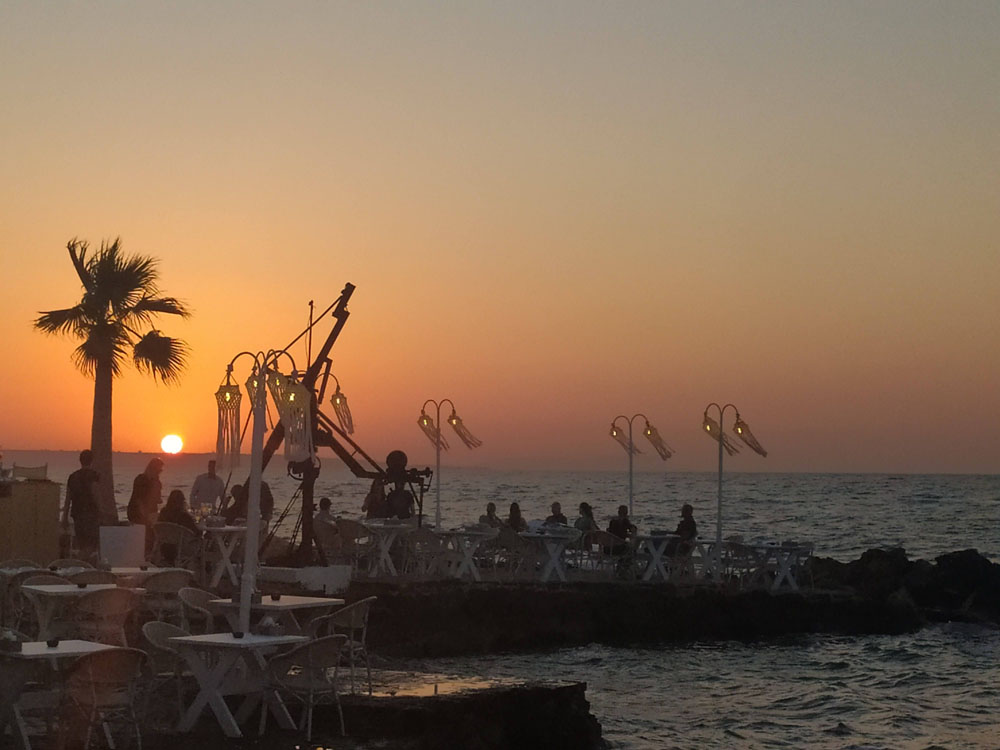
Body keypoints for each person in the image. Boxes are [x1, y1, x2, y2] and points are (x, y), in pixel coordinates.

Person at [62, 449, 100, 561]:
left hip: (77, 514)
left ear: (80, 460)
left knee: (82, 543)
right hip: (91, 514)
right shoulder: (94, 475)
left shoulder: (73, 477)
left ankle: (81, 562)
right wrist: (101, 511)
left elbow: (68, 499)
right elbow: (96, 494)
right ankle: (83, 562)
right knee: (91, 545)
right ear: (92, 461)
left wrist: (64, 517)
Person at [127, 457, 164, 553]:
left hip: (149, 512)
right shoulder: (142, 479)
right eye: (159, 470)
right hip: (138, 512)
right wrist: (145, 516)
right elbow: (139, 499)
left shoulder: (155, 482)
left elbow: (157, 498)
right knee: (147, 535)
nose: (160, 472)